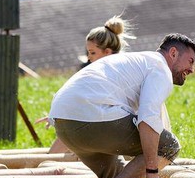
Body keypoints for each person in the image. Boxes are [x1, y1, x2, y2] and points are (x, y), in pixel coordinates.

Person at [49, 33, 195, 178]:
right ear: (173, 53)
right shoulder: (160, 68)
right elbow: (148, 119)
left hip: (63, 126)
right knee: (168, 146)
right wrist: (152, 173)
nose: (192, 69)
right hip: (90, 120)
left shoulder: (138, 62)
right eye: (190, 61)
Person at [39, 15, 135, 154]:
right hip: (107, 125)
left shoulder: (115, 71)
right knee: (71, 130)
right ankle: (52, 160)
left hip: (121, 128)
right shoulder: (103, 70)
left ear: (107, 52)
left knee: (73, 131)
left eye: (92, 53)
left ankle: (51, 161)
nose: (89, 57)